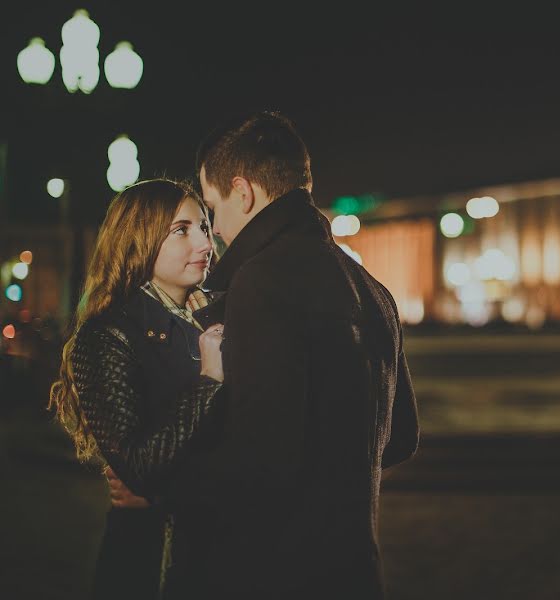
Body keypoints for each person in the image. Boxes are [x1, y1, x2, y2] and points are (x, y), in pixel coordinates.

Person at [159, 110, 420, 598]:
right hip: (354, 570)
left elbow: (258, 459)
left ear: (243, 192)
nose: (213, 230)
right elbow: (402, 436)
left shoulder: (261, 282)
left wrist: (171, 481)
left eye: (212, 209)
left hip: (273, 572)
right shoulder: (371, 288)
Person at [49, 179, 225, 600]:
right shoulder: (108, 335)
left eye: (203, 226)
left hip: (221, 551)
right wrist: (209, 381)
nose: (203, 241)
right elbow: (137, 465)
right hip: (152, 561)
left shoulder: (219, 314)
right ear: (138, 239)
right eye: (181, 230)